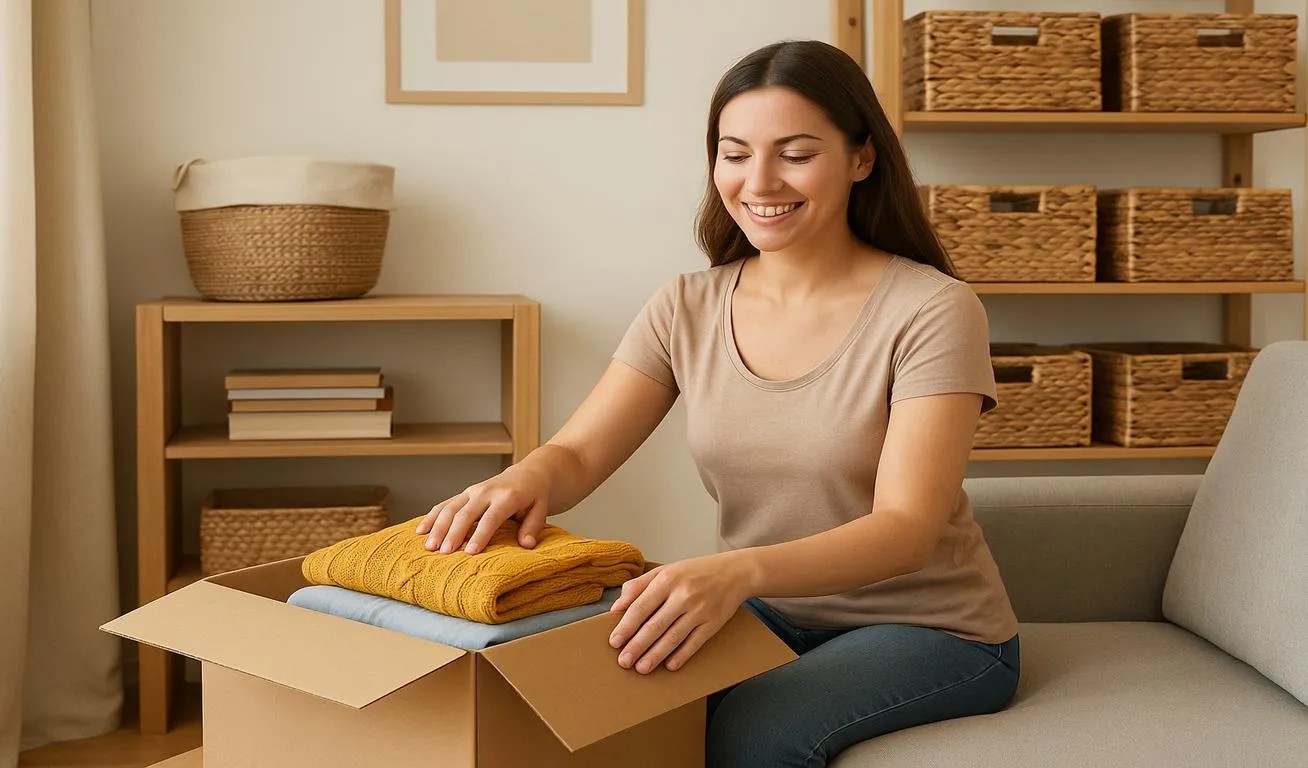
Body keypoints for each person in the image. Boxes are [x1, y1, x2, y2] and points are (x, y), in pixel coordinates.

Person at [415, 39, 1020, 767]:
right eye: (735, 153)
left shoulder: (933, 309)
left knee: (750, 733)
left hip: (930, 629)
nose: (759, 181)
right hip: (766, 612)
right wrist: (526, 478)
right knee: (577, 692)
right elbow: (579, 453)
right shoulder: (687, 306)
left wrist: (738, 572)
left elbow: (905, 529)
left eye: (795, 153)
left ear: (862, 158)